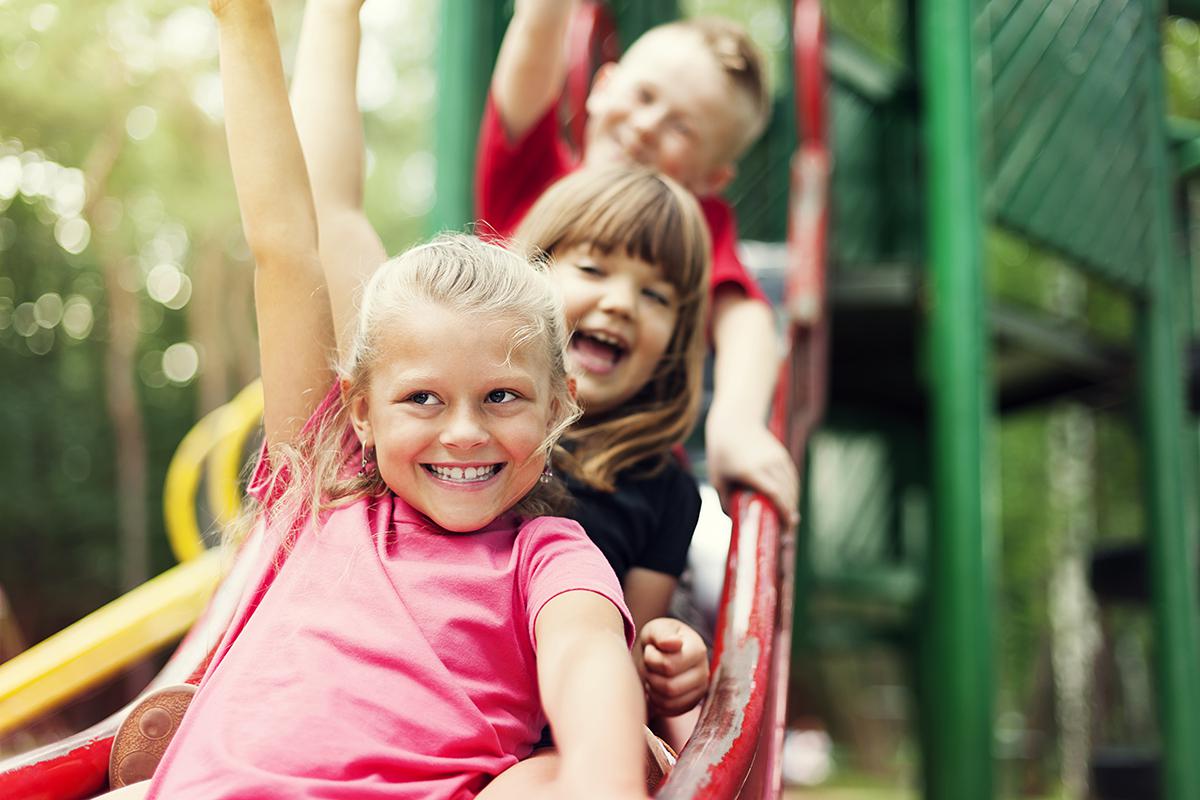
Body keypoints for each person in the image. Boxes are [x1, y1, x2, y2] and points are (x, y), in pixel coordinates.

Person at [104, 1, 650, 797]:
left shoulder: (549, 558)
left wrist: (605, 782)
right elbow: (285, 247)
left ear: (561, 405)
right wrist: (242, 25)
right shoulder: (323, 496)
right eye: (423, 399)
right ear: (361, 409)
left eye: (501, 396)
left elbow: (584, 659)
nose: (463, 432)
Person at [289, 0, 714, 745]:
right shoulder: (424, 407)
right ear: (534, 274)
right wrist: (335, 17)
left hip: (519, 741)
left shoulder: (657, 486)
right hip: (371, 712)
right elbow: (330, 215)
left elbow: (621, 656)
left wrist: (665, 665)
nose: (620, 302)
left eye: (655, 295)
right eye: (593, 269)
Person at [479, 1, 800, 526]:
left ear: (711, 179)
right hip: (487, 441)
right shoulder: (536, 172)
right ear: (602, 86)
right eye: (645, 96)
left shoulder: (689, 231)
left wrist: (737, 423)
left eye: (683, 128)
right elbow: (536, 32)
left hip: (615, 487)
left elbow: (747, 320)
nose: (648, 125)